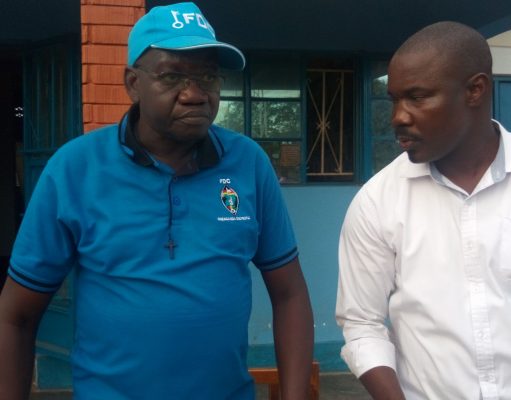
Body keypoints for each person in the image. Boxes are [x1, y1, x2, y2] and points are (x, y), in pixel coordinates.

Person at [0, 3, 314, 399]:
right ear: (133, 83)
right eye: (172, 76)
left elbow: (289, 294)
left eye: (208, 76)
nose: (195, 95)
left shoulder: (247, 163)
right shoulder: (75, 170)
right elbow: (16, 315)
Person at [336, 21, 511, 400]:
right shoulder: (377, 201)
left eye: (417, 97)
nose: (398, 116)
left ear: (475, 90)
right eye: (394, 100)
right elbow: (362, 324)